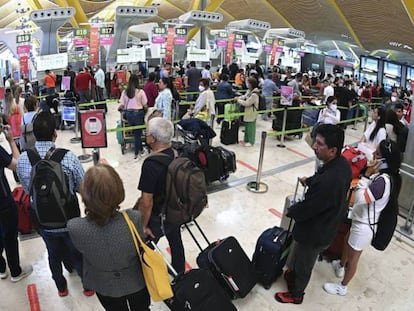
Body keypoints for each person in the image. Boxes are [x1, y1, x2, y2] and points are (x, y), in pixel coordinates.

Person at [275, 124, 352, 304]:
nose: (314, 146)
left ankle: (296, 294)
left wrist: (292, 211)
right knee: (299, 257)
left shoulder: (328, 181)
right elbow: (322, 181)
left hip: (316, 232)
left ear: (333, 150)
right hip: (328, 225)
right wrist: (309, 181)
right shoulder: (341, 165)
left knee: (304, 263)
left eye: (319, 144)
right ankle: (292, 277)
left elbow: (308, 208)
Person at [16, 111, 90, 297]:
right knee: (77, 251)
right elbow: (82, 188)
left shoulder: (24, 160)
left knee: (53, 254)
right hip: (69, 219)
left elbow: (27, 189)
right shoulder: (68, 157)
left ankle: (61, 287)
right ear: (54, 133)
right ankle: (87, 286)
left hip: (43, 220)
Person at [324, 140, 402, 296]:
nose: (373, 154)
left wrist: (365, 177)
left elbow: (360, 197)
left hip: (364, 226)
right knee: (347, 241)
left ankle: (342, 287)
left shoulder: (382, 181)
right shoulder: (383, 176)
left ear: (384, 159)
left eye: (378, 153)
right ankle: (340, 265)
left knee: (353, 259)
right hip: (359, 220)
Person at [68, 164, 150, 310]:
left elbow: (81, 249)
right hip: (136, 280)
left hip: (103, 283)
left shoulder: (75, 227)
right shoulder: (133, 218)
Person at [134, 117, 185, 273]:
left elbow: (147, 201)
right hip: (175, 210)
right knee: (176, 241)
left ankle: (143, 272)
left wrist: (143, 225)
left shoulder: (151, 164)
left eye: (147, 131)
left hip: (159, 215)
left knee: (145, 243)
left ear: (152, 138)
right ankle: (179, 271)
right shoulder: (176, 153)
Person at [0, 123, 33, 282]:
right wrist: (12, 141)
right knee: (9, 236)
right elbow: (18, 166)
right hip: (3, 201)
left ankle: (1, 268)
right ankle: (15, 271)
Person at [118, 74, 148, 159]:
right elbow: (145, 105)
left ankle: (141, 149)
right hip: (138, 114)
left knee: (136, 133)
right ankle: (137, 152)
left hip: (129, 115)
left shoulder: (125, 92)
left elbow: (122, 104)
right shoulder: (140, 92)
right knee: (137, 134)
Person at [235, 77, 259, 147]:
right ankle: (246, 139)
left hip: (252, 112)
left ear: (251, 84)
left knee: (251, 127)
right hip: (247, 111)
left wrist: (238, 101)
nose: (247, 84)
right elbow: (244, 96)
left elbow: (247, 103)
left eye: (248, 83)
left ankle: (251, 141)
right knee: (247, 126)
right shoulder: (249, 91)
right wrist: (238, 97)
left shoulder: (254, 94)